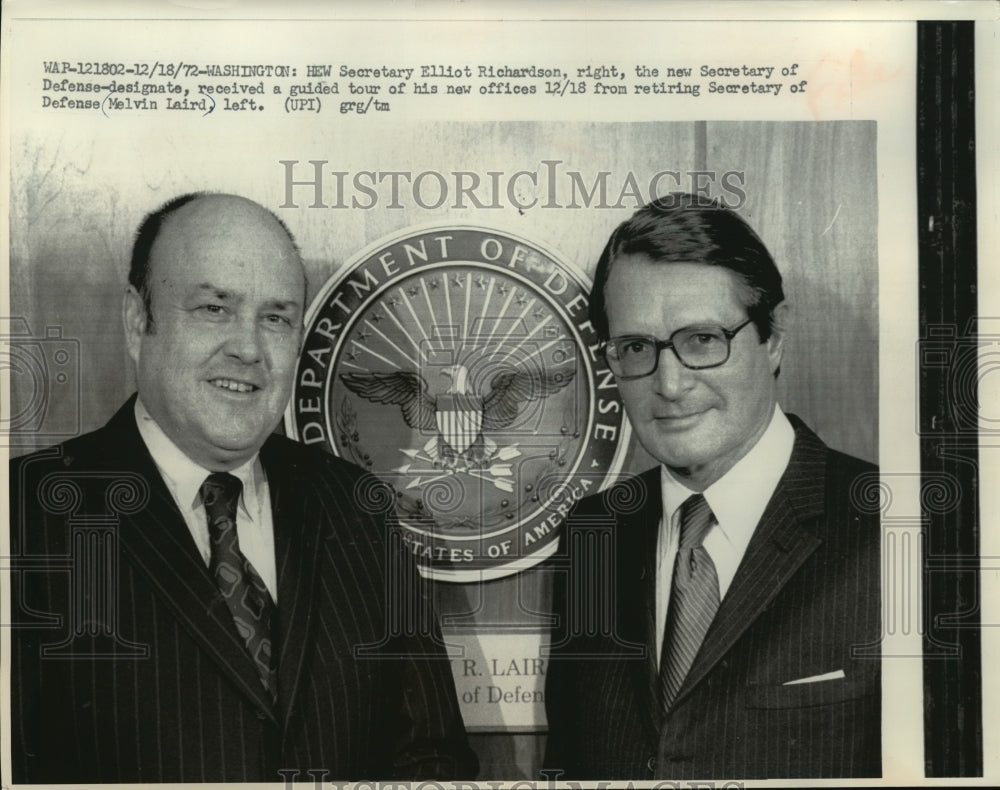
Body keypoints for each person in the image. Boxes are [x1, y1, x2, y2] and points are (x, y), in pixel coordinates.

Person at [9, 193, 477, 782]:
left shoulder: (362, 509)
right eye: (213, 308)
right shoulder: (22, 517)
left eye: (276, 317)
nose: (249, 348)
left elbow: (433, 760)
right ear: (137, 320)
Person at [543, 193, 880, 779]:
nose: (669, 384)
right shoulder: (593, 534)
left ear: (772, 338)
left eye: (702, 340)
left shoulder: (894, 527)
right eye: (637, 348)